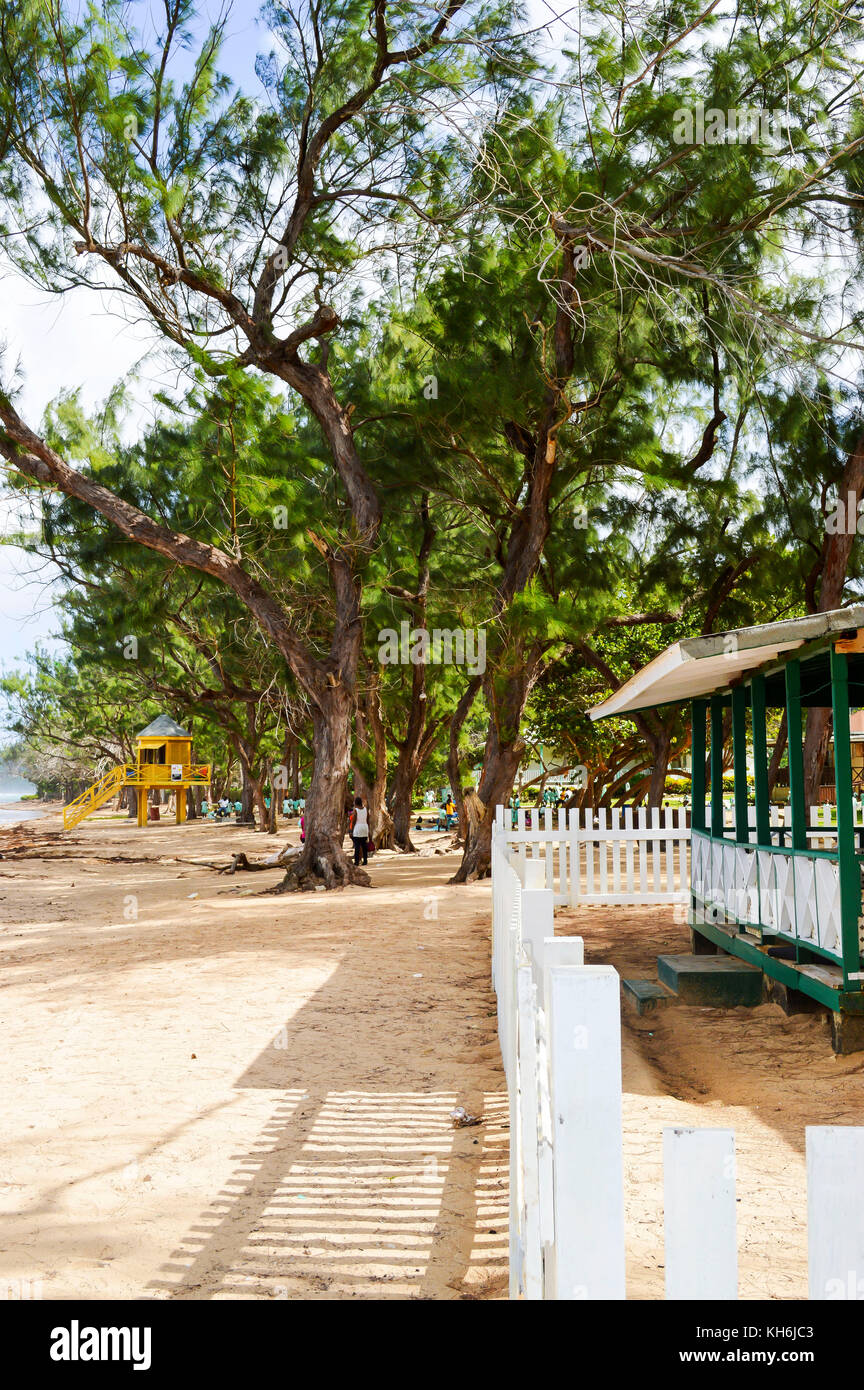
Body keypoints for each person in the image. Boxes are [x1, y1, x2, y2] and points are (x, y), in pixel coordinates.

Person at [349, 796, 369, 866]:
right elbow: (367, 819)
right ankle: (365, 861)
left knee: (357, 846)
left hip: (358, 828)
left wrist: (351, 830)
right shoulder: (365, 809)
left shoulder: (356, 810)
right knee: (364, 846)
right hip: (365, 828)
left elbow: (354, 821)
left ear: (356, 803)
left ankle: (356, 862)